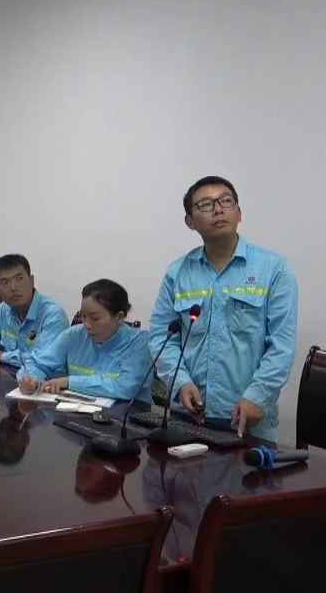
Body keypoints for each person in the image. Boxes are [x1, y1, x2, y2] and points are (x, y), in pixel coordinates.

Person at [148, 176, 298, 440]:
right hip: (188, 417)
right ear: (190, 221)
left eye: (226, 201)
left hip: (247, 421)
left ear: (239, 212)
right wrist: (180, 382)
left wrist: (258, 395)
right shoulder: (177, 273)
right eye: (205, 204)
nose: (218, 209)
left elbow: (281, 347)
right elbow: (162, 336)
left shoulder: (274, 270)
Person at [19, 279, 153, 403]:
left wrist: (69, 382)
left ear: (119, 317)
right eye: (83, 316)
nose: (87, 324)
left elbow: (126, 386)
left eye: (95, 318)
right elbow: (38, 363)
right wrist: (31, 379)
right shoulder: (73, 336)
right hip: (78, 412)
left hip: (127, 416)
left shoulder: (139, 342)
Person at [0, 254, 68, 367]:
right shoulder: (2, 310)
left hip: (44, 377)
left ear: (31, 281)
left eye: (19, 279)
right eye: (5, 282)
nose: (13, 287)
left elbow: (44, 359)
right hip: (9, 374)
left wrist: (3, 356)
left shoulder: (53, 315)